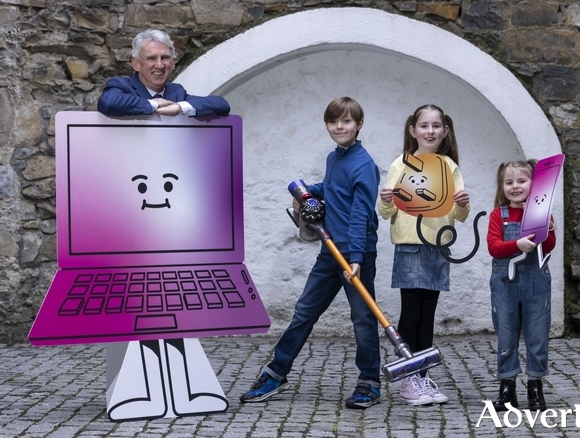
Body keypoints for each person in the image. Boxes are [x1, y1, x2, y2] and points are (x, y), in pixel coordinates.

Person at [240, 97, 382, 409]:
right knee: (304, 312)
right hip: (329, 251)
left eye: (346, 121)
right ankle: (276, 373)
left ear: (359, 124)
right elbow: (333, 189)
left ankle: (369, 382)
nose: (339, 127)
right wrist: (308, 191)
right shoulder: (336, 158)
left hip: (355, 254)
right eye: (334, 122)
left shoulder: (364, 165)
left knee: (362, 317)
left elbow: (360, 214)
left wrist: (357, 258)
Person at [378, 104, 470, 406]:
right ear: (413, 130)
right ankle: (408, 378)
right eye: (425, 125)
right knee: (412, 312)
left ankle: (420, 375)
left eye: (436, 126)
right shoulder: (401, 164)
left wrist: (463, 202)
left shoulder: (448, 166)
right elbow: (386, 212)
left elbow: (459, 216)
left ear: (445, 131)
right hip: (409, 245)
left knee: (427, 315)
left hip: (438, 247)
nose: (430, 131)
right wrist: (387, 200)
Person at [486, 160, 556, 412]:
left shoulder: (541, 213)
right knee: (506, 332)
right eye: (509, 182)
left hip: (535, 279)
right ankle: (507, 387)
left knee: (537, 333)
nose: (515, 186)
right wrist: (516, 245)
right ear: (502, 186)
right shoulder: (498, 215)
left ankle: (535, 385)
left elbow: (548, 246)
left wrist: (543, 225)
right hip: (506, 281)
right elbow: (493, 246)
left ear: (534, 185)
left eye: (521, 181)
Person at [97, 29, 230, 117]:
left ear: (172, 63)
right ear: (136, 64)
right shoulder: (121, 85)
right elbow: (109, 102)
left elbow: (221, 105)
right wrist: (154, 105)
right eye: (151, 58)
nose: (160, 65)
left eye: (165, 58)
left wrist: (179, 107)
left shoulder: (177, 92)